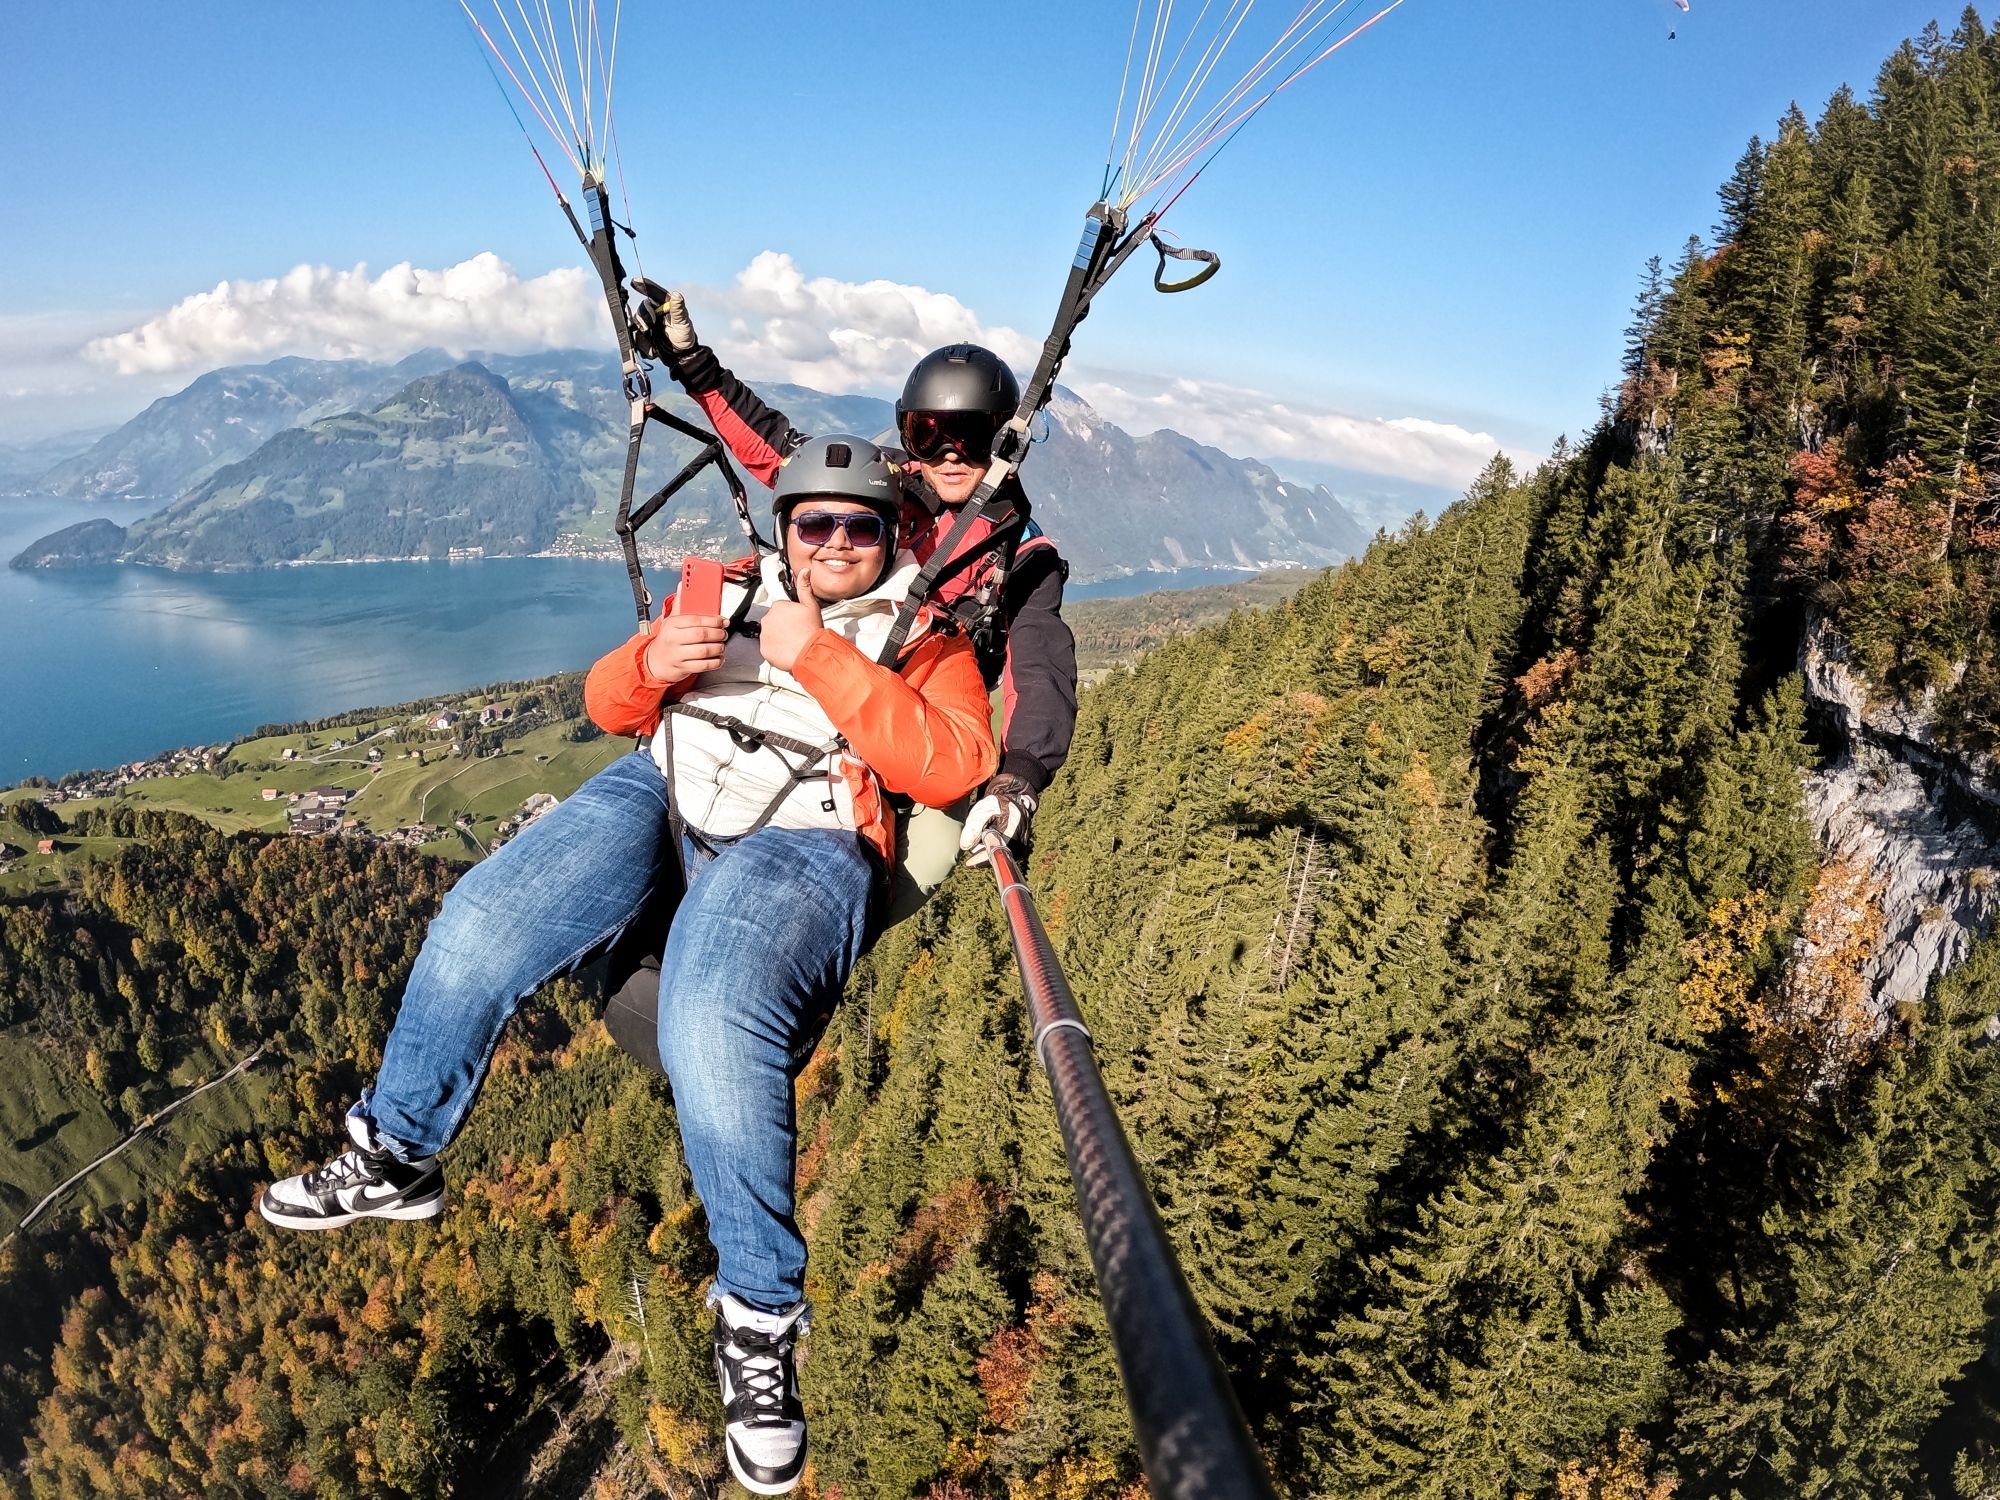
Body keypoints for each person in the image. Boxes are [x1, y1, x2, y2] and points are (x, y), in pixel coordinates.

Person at [256, 436, 996, 1495]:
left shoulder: (923, 638)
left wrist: (817, 657)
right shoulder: (722, 590)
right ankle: (397, 1151)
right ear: (783, 530)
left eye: (859, 526)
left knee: (712, 1013)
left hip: (811, 836)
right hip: (664, 786)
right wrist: (653, 662)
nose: (834, 543)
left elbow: (953, 762)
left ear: (893, 536)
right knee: (483, 915)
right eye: (813, 523)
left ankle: (758, 1317)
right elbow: (606, 705)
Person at [633, 291, 1078, 875]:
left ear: (1008, 441)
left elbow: (1040, 666)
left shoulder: (1022, 556)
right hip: (817, 674)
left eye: (974, 437)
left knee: (928, 858)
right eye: (929, 433)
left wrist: (1018, 778)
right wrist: (694, 364)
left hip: (910, 710)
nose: (949, 455)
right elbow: (780, 451)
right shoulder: (889, 482)